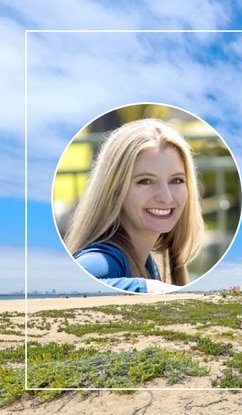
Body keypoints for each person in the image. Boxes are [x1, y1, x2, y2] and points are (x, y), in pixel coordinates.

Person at [64, 118, 204, 293]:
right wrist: (146, 287)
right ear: (115, 190)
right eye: (145, 181)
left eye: (176, 180)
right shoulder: (104, 259)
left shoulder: (146, 262)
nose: (166, 197)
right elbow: (68, 286)